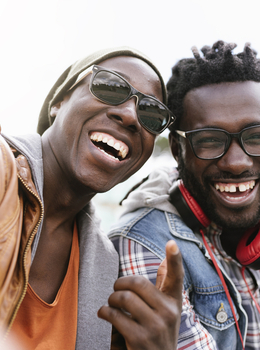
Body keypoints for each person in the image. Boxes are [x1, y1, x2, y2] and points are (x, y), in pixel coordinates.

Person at [109, 41, 260, 350]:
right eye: (209, 140)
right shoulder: (145, 243)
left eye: (258, 136)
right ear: (176, 150)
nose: (237, 163)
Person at [0, 46, 184, 350]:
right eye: (110, 87)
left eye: (151, 113)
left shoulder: (106, 268)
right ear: (60, 101)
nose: (129, 116)